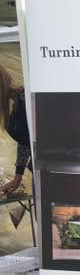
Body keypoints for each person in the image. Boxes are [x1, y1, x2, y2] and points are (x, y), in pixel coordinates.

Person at [0, 65, 31, 197]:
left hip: (51, 169)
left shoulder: (26, 98)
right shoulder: (16, 107)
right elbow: (25, 141)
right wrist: (18, 176)